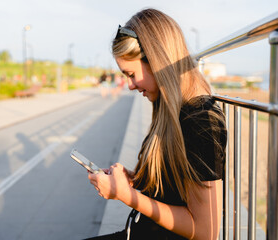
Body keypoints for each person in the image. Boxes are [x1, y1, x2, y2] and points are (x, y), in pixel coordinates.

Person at [86, 8, 227, 240]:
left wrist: (125, 195)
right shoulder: (170, 107)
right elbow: (172, 188)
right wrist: (132, 178)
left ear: (156, 61)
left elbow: (205, 231)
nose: (130, 85)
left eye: (131, 74)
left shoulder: (201, 120)